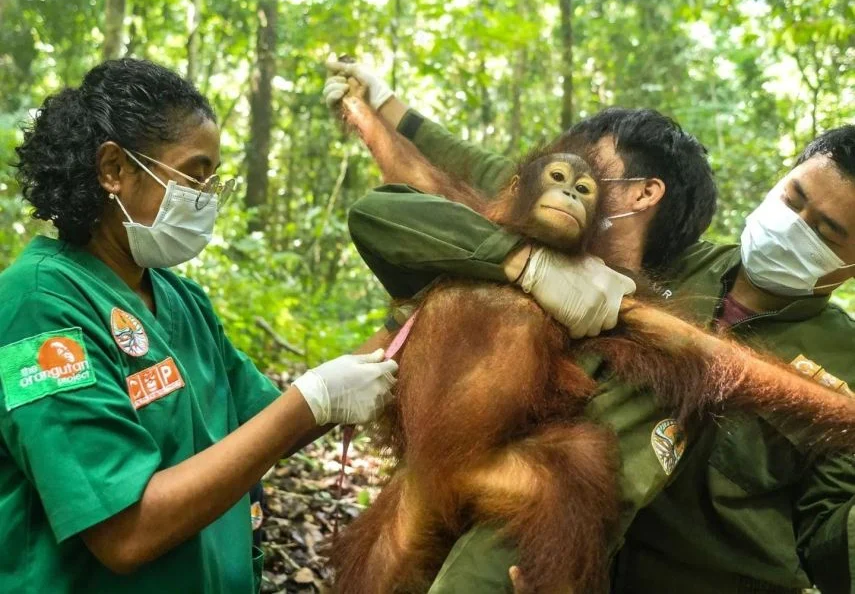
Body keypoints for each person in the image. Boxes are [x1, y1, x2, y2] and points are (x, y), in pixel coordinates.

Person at [326, 62, 855, 593]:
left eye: (827, 230)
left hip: (691, 575)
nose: (796, 225)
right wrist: (377, 109)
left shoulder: (836, 356)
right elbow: (477, 175)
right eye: (793, 199)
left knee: (576, 464)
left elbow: (715, 365)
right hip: (481, 492)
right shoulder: (643, 250)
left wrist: (843, 412)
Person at [0, 58, 398, 594]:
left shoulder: (179, 299)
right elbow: (124, 533)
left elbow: (264, 420)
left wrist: (408, 327)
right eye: (194, 175)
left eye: (213, 181)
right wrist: (313, 398)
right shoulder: (40, 307)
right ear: (114, 169)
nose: (206, 199)